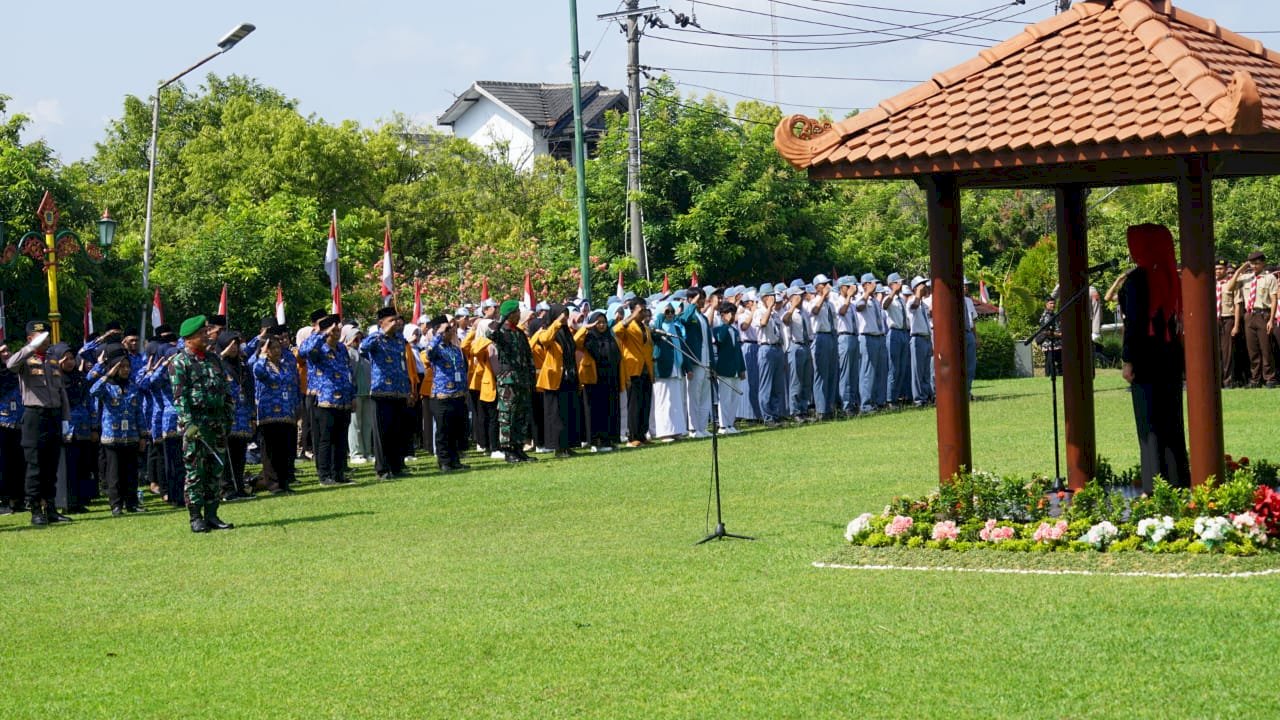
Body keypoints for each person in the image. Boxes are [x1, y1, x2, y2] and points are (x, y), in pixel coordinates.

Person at [1120, 224, 1189, 492]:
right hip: (1170, 358)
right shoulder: (1172, 276)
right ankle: (1177, 480)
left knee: (1149, 427)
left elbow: (1135, 324)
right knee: (1172, 424)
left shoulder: (1138, 279)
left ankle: (1155, 486)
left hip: (1146, 360)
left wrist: (1128, 359)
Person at [5, 320, 73, 526]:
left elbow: (61, 391)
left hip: (53, 415)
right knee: (35, 466)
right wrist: (31, 348)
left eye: (46, 336)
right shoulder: (25, 358)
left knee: (51, 464)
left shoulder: (53, 358)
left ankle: (50, 507)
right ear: (30, 339)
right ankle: (35, 509)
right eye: (40, 336)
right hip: (34, 415)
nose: (46, 340)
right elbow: (10, 364)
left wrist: (65, 419)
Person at [171, 315, 235, 533]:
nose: (207, 337)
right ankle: (195, 517)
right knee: (196, 472)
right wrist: (189, 425)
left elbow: (225, 391)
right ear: (188, 339)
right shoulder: (180, 362)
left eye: (207, 333)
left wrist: (228, 417)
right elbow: (180, 398)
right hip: (196, 426)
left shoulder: (214, 359)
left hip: (217, 423)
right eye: (201, 334)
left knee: (215, 471)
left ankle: (212, 514)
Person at [300, 314, 355, 486]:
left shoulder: (341, 349)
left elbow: (348, 374)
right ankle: (324, 475)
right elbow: (304, 351)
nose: (337, 332)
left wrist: (353, 396)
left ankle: (338, 473)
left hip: (344, 400)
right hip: (324, 399)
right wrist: (322, 333)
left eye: (338, 329)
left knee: (340, 439)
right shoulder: (318, 349)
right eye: (334, 330)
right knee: (325, 439)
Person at [91, 345, 145, 516]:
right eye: (121, 367)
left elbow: (139, 412)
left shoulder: (133, 386)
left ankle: (132, 503)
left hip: (131, 436)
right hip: (112, 436)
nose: (125, 370)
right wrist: (107, 375)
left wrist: (143, 435)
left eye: (127, 367)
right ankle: (116, 505)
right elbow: (93, 391)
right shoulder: (107, 386)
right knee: (113, 474)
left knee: (131, 473)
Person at [359, 307, 411, 480]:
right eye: (392, 320)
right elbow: (362, 348)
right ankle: (382, 469)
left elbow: (403, 366)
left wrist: (407, 389)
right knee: (382, 433)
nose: (396, 323)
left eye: (397, 320)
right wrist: (381, 333)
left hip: (399, 391)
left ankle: (397, 466)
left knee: (397, 431)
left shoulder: (399, 340)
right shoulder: (376, 339)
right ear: (381, 323)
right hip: (381, 391)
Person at [532, 304, 584, 458]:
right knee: (555, 415)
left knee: (569, 411)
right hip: (554, 378)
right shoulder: (548, 330)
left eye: (566, 315)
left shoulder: (567, 332)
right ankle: (558, 447)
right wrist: (557, 323)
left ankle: (568, 445)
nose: (564, 318)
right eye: (562, 315)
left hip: (569, 377)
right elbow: (545, 340)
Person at [490, 300, 537, 463]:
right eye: (516, 312)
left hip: (522, 380)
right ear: (510, 314)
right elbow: (491, 333)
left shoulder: (519, 333)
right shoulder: (501, 331)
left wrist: (532, 377)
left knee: (521, 414)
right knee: (507, 415)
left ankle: (518, 447)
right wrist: (502, 318)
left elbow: (528, 357)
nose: (519, 315)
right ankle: (507, 449)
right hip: (508, 381)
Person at [252, 334, 299, 495]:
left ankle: (285, 482)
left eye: (278, 347)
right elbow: (257, 371)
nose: (277, 350)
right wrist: (263, 355)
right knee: (270, 452)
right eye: (273, 348)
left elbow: (292, 386)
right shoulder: (261, 365)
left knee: (285, 451)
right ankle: (273, 484)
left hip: (286, 413)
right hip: (268, 415)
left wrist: (295, 407)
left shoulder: (285, 366)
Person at [425, 316, 471, 471]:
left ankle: (455, 460)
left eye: (450, 328)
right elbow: (429, 353)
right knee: (443, 430)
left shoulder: (455, 349)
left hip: (457, 394)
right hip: (442, 395)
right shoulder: (436, 349)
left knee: (455, 430)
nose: (450, 331)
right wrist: (438, 334)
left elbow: (463, 369)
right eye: (446, 329)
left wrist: (464, 389)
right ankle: (444, 461)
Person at [1226, 250, 1278, 387]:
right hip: (1249, 315)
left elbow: (1273, 299)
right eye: (1252, 264)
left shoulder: (1269, 278)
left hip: (1263, 314)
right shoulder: (1246, 277)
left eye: (1257, 263)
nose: (1254, 266)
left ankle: (1269, 378)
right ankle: (1255, 379)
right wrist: (1240, 270)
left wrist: (1271, 320)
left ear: (1263, 263)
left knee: (1266, 348)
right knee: (1252, 349)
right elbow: (1229, 287)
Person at [216, 332, 256, 501]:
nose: (234, 348)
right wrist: (222, 355)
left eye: (236, 345)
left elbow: (250, 390)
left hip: (242, 416)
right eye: (230, 345)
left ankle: (239, 487)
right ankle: (226, 489)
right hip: (225, 416)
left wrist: (252, 415)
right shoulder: (218, 364)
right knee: (226, 455)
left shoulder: (242, 366)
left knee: (240, 454)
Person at [580, 309, 622, 451]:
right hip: (594, 380)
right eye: (598, 323)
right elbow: (576, 342)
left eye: (604, 323)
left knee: (611, 410)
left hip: (610, 379)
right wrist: (586, 328)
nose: (602, 326)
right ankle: (596, 441)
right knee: (596, 411)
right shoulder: (589, 338)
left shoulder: (610, 338)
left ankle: (609, 439)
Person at [616, 299, 655, 447]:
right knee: (634, 405)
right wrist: (632, 317)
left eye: (644, 310)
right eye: (640, 310)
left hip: (646, 369)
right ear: (632, 310)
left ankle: (642, 435)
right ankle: (633, 437)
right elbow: (616, 331)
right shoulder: (628, 325)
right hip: (633, 370)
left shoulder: (644, 327)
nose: (643, 313)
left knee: (645, 403)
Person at [678, 287, 714, 438]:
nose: (702, 301)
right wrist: (691, 304)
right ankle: (693, 428)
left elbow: (708, 341)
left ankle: (702, 426)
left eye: (703, 298)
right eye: (699, 298)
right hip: (695, 360)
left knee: (705, 395)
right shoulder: (689, 314)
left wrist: (712, 362)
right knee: (694, 395)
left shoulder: (703, 317)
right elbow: (682, 320)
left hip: (706, 360)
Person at [650, 301, 688, 442]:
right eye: (667, 312)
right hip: (662, 368)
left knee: (676, 401)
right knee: (663, 401)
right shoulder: (657, 327)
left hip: (676, 368)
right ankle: (664, 432)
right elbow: (655, 336)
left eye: (672, 312)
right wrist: (660, 316)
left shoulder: (675, 328)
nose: (670, 314)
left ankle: (676, 430)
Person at [465, 319, 501, 459]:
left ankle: (488, 444)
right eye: (490, 326)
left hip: (489, 382)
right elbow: (470, 348)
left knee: (490, 416)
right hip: (482, 383)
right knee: (487, 416)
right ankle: (490, 446)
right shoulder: (481, 343)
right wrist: (475, 331)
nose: (493, 328)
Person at [753, 283, 786, 427]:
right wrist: (769, 308)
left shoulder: (774, 313)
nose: (773, 298)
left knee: (777, 385)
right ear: (764, 298)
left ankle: (776, 413)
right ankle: (768, 416)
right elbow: (763, 323)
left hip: (777, 348)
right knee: (766, 384)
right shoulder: (760, 311)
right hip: (766, 348)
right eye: (771, 296)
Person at [711, 301, 747, 433]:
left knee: (734, 398)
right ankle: (723, 425)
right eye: (729, 313)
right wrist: (725, 324)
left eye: (733, 313)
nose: (732, 316)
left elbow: (738, 351)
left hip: (736, 368)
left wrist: (742, 369)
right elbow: (720, 339)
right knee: (724, 398)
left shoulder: (735, 331)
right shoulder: (719, 329)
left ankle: (730, 424)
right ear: (722, 315)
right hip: (724, 368)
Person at [854, 274, 888, 413]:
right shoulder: (860, 297)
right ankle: (866, 405)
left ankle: (878, 402)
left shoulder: (873, 300)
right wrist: (867, 292)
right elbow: (859, 307)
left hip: (879, 337)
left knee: (880, 371)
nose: (875, 285)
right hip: (868, 337)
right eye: (872, 283)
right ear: (865, 284)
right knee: (867, 372)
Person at [808, 274, 839, 420]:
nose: (827, 286)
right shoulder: (813, 301)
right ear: (817, 288)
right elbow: (814, 311)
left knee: (832, 373)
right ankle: (821, 409)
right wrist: (822, 297)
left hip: (831, 336)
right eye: (823, 284)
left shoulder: (830, 303)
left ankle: (830, 407)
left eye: (827, 283)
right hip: (819, 336)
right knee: (821, 374)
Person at [781, 285, 814, 423]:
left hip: (806, 346)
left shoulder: (804, 311)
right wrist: (792, 306)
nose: (801, 298)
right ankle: (795, 411)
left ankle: (804, 409)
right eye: (798, 295)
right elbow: (785, 320)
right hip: (795, 346)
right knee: (796, 381)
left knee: (806, 380)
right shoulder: (789, 311)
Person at [344, 325, 374, 465]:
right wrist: (348, 346)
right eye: (356, 338)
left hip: (366, 394)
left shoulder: (364, 354)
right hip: (355, 394)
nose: (359, 341)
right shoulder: (348, 353)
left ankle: (368, 452)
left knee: (367, 424)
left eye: (360, 338)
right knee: (355, 425)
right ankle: (356, 453)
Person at [0, 343, 24, 514]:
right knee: (3, 464)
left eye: (8, 350)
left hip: (20, 423)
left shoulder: (17, 372)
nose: (7, 353)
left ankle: (18, 499)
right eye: (3, 351)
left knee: (19, 463)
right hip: (2, 424)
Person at [883, 273, 912, 406]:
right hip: (894, 333)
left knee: (902, 367)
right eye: (898, 282)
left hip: (903, 333)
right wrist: (893, 292)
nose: (900, 285)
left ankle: (898, 396)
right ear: (892, 284)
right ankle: (890, 399)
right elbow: (884, 305)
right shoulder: (889, 298)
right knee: (894, 367)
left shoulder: (901, 299)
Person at [834, 276, 861, 416]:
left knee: (853, 372)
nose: (851, 289)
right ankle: (845, 405)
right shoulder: (837, 300)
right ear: (842, 287)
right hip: (843, 336)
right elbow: (841, 312)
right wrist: (849, 297)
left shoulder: (852, 302)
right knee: (845, 372)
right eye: (848, 287)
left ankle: (853, 402)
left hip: (853, 336)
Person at [907, 276, 934, 406]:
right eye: (922, 284)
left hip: (926, 338)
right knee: (918, 371)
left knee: (926, 371)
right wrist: (917, 293)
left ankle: (926, 396)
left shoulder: (924, 304)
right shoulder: (912, 301)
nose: (925, 287)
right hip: (917, 338)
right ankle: (918, 399)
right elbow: (913, 307)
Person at [1215, 258, 1241, 388]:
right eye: (1216, 269)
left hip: (1227, 319)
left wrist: (1236, 325)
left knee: (1227, 352)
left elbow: (1237, 305)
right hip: (1214, 321)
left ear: (1225, 269)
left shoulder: (1232, 284)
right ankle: (1217, 381)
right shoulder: (1210, 284)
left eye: (1220, 269)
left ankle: (1227, 381)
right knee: (1215, 351)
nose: (1218, 271)